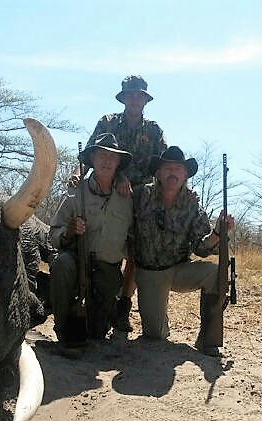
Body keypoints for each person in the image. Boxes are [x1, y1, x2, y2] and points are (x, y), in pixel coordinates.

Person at [69, 75, 167, 332]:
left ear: (146, 99)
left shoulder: (154, 130)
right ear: (123, 98)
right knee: (104, 246)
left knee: (135, 252)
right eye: (131, 94)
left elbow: (164, 166)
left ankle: (123, 305)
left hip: (141, 199)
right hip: (107, 193)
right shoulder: (108, 122)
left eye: (140, 95)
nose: (135, 99)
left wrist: (181, 191)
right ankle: (97, 296)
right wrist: (78, 174)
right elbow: (91, 152)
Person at [131, 146, 235, 357]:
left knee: (214, 272)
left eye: (178, 169)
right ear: (158, 173)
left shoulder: (192, 204)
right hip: (150, 273)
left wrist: (218, 232)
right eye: (167, 168)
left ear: (185, 175)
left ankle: (208, 338)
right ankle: (158, 317)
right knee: (155, 335)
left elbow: (201, 248)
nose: (172, 173)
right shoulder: (140, 195)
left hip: (179, 270)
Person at [49, 133, 133, 356]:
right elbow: (53, 235)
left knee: (97, 333)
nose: (106, 161)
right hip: (77, 263)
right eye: (101, 155)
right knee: (62, 263)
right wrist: (69, 231)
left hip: (107, 271)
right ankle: (62, 328)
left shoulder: (129, 197)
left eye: (112, 157)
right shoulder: (75, 193)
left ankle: (104, 316)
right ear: (92, 159)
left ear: (118, 163)